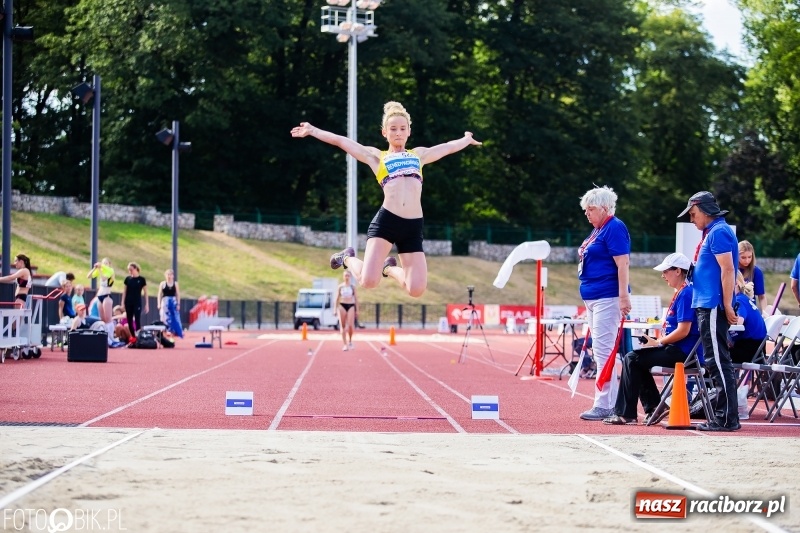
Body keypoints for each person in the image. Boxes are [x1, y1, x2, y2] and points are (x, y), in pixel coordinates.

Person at [291, 101, 481, 298]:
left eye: (402, 128)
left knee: (416, 289)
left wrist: (466, 139)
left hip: (413, 226)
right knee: (368, 281)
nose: (398, 132)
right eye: (393, 129)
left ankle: (388, 269)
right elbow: (342, 141)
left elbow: (448, 147)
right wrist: (312, 130)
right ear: (384, 132)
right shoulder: (377, 158)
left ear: (409, 131)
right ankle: (347, 258)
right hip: (387, 222)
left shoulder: (419, 155)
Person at [603, 253, 702, 425]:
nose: (663, 276)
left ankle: (628, 413)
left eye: (665, 271)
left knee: (632, 359)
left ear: (678, 271)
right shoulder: (682, 292)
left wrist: (658, 342)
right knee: (634, 359)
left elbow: (684, 331)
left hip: (684, 353)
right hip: (677, 349)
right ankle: (654, 407)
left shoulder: (687, 293)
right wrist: (655, 342)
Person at [679, 191, 740, 431]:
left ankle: (726, 419)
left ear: (704, 210)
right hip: (708, 303)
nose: (692, 220)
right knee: (715, 360)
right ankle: (725, 417)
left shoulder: (719, 232)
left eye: (693, 214)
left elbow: (728, 270)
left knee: (717, 360)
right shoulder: (713, 232)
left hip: (713, 304)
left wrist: (726, 304)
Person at [577, 185, 632, 421]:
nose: (587, 214)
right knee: (601, 351)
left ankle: (605, 403)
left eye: (591, 209)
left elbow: (623, 263)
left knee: (604, 350)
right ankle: (608, 401)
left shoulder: (614, 228)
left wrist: (623, 297)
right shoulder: (598, 230)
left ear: (606, 208)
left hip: (607, 296)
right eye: (585, 210)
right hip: (595, 297)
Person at [730, 272, 767, 364]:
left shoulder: (739, 300)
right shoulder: (743, 298)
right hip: (759, 348)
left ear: (735, 283)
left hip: (750, 348)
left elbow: (739, 322)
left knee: (716, 356)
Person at [738, 240, 766, 312]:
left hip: (750, 308)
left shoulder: (756, 272)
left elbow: (761, 296)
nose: (747, 260)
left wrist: (764, 312)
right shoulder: (731, 270)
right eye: (743, 257)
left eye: (749, 257)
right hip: (734, 307)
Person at [121, 262, 148, 338]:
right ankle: (133, 336)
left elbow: (145, 292)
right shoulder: (128, 279)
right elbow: (124, 292)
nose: (130, 271)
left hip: (137, 302)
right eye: (129, 270)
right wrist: (122, 303)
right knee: (129, 320)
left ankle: (139, 336)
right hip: (128, 302)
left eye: (131, 269)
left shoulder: (142, 280)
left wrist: (147, 304)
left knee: (137, 319)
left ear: (136, 269)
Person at [335, 271, 358, 351]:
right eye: (345, 275)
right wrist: (335, 309)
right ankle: (345, 344)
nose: (347, 277)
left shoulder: (352, 287)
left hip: (351, 305)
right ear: (343, 277)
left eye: (348, 275)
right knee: (343, 326)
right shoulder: (340, 287)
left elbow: (356, 299)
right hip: (342, 305)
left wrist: (357, 310)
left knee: (351, 325)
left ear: (350, 277)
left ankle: (350, 341)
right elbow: (337, 298)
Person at [88, 258, 115, 323]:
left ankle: (110, 331)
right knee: (102, 319)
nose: (104, 264)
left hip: (106, 296)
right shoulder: (101, 271)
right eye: (103, 263)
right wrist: (94, 268)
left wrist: (100, 268)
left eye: (106, 263)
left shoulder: (110, 271)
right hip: (100, 296)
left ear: (109, 264)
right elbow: (89, 276)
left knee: (108, 319)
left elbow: (103, 278)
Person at [157, 269, 183, 338]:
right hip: (165, 301)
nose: (169, 276)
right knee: (164, 316)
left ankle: (174, 331)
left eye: (170, 275)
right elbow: (159, 294)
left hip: (173, 301)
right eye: (167, 275)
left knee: (174, 316)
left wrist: (178, 304)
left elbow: (178, 294)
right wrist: (159, 303)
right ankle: (164, 330)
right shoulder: (162, 284)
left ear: (173, 276)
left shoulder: (175, 284)